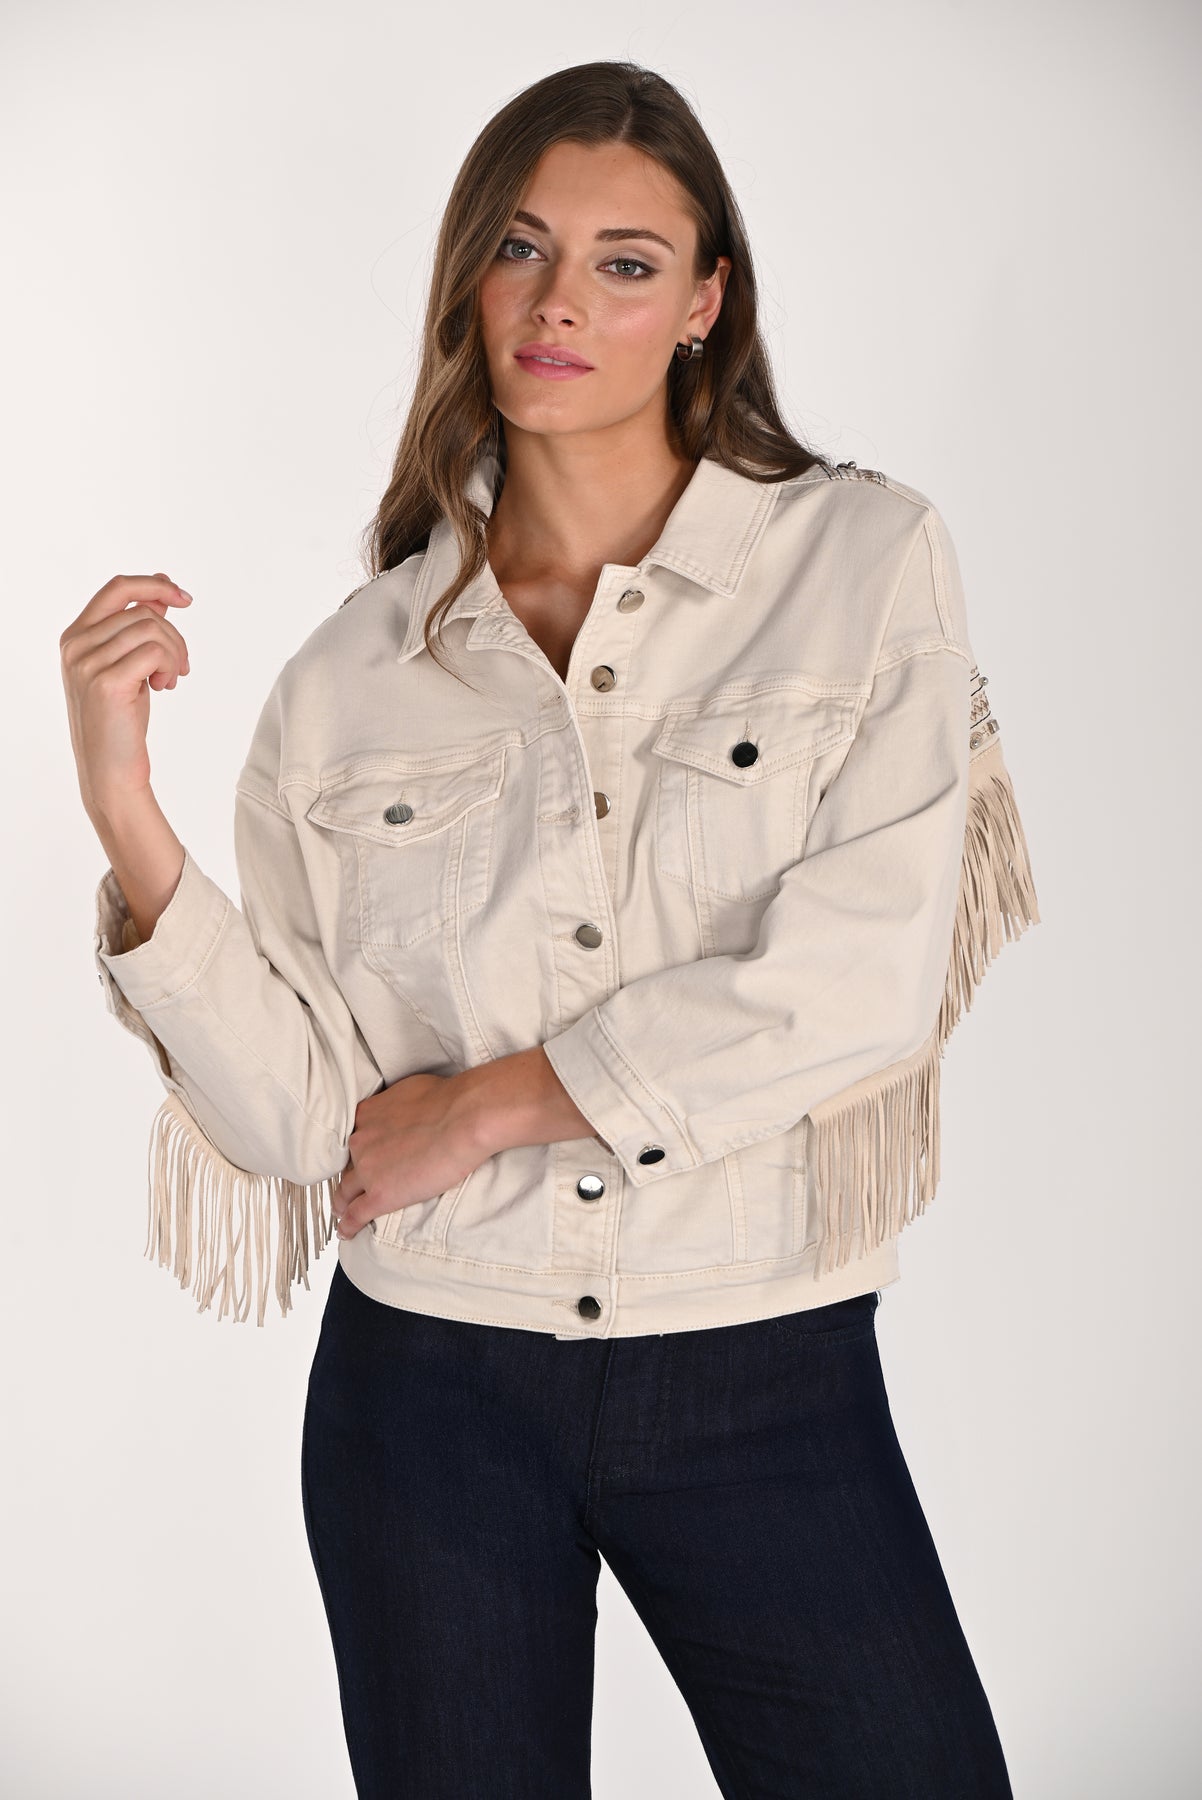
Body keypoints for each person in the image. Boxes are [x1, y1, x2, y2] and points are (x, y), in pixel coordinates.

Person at [62, 59, 1038, 1800]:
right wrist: (126, 809)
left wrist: (491, 1103)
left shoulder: (858, 561)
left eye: (624, 262)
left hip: (760, 1367)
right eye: (520, 249)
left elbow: (861, 982)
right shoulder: (353, 672)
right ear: (468, 279)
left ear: (705, 302)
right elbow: (304, 1124)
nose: (560, 301)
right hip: (424, 1394)